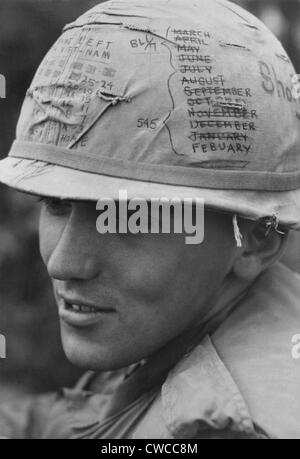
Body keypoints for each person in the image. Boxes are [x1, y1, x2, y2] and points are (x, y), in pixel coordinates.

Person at [0, 0, 300, 439]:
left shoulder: (213, 427)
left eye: (126, 218)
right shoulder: (177, 328)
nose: (63, 263)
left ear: (255, 237)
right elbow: (86, 417)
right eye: (57, 204)